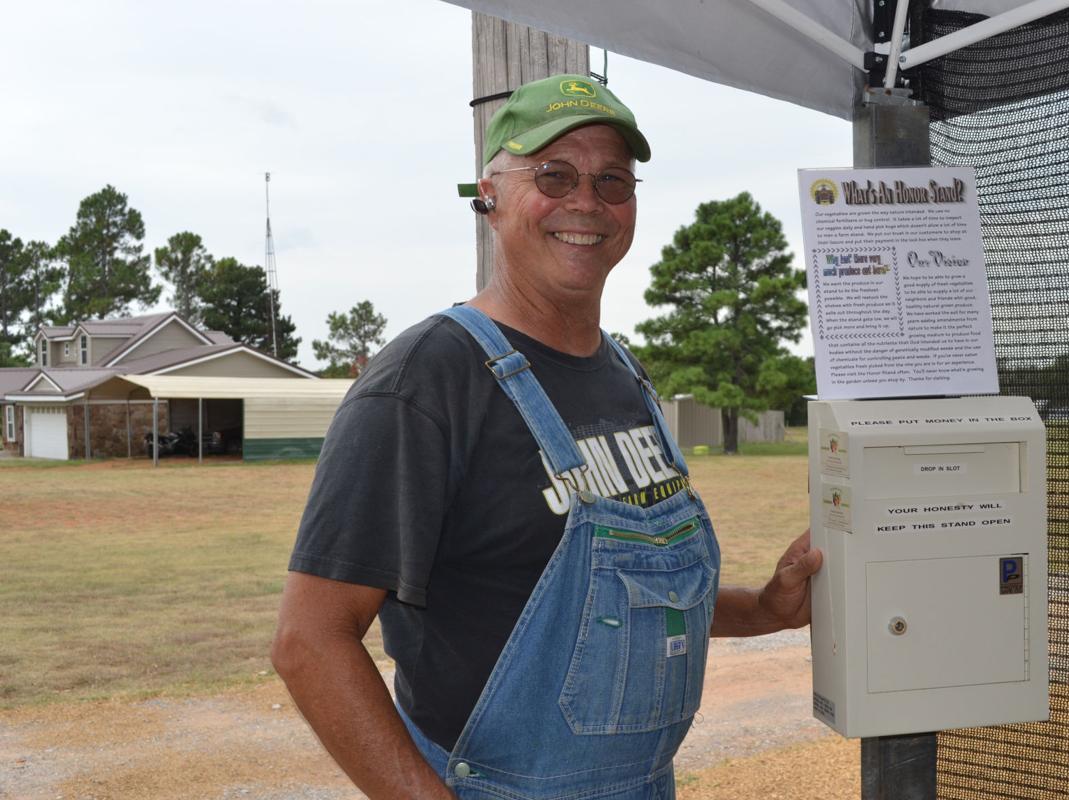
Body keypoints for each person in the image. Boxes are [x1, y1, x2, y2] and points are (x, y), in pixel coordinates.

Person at [272, 73, 823, 800]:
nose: (586, 203)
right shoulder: (424, 382)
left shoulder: (626, 374)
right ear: (489, 196)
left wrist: (764, 609)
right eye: (553, 175)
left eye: (613, 181)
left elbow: (619, 600)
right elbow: (309, 643)